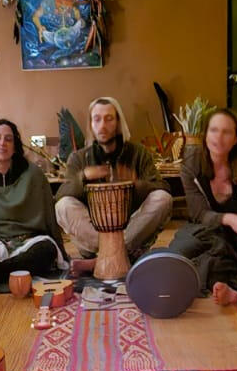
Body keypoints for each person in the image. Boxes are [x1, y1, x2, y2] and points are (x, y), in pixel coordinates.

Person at [165, 107, 237, 301]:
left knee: (218, 254)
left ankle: (235, 279)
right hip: (205, 229)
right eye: (214, 130)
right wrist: (229, 219)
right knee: (180, 253)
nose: (218, 138)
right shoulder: (191, 164)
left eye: (226, 132)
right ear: (205, 135)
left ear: (236, 139)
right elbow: (198, 213)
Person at [54, 97, 174, 265]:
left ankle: (108, 255)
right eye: (97, 119)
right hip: (94, 237)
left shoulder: (139, 153)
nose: (102, 125)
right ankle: (112, 252)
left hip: (130, 232)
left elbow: (162, 187)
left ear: (118, 122)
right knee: (63, 205)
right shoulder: (79, 157)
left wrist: (135, 183)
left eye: (109, 119)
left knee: (163, 198)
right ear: (91, 124)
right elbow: (61, 194)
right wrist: (84, 177)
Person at [0, 118, 65, 294]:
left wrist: (59, 247)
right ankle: (7, 272)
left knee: (46, 250)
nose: (2, 143)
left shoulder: (33, 174)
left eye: (8, 139)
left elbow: (49, 217)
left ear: (15, 147)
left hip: (27, 241)